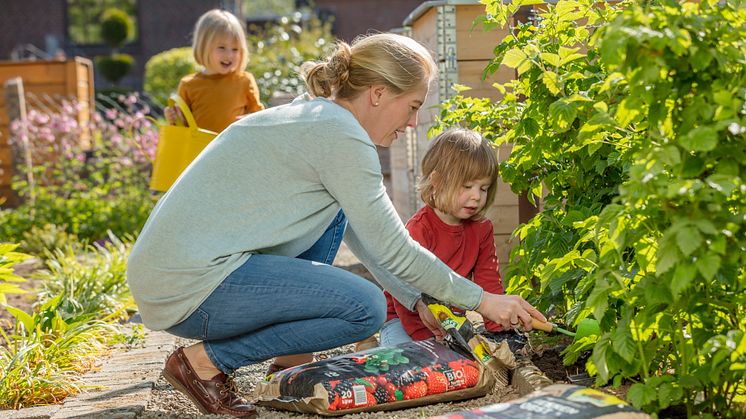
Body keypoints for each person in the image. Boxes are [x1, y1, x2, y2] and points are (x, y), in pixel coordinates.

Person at [126, 33, 545, 418]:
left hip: (178, 274)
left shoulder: (318, 119)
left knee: (337, 220)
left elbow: (368, 237)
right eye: (413, 107)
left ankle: (290, 360)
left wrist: (415, 299)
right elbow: (396, 247)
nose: (413, 123)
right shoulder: (341, 137)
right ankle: (202, 363)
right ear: (378, 94)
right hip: (189, 286)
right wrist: (483, 301)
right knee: (365, 308)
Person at [380, 128, 506, 346]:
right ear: (437, 181)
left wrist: (499, 331)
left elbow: (489, 281)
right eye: (466, 186)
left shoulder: (481, 229)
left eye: (483, 188)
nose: (476, 196)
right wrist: (429, 339)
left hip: (451, 324)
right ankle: (372, 344)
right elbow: (405, 292)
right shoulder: (420, 229)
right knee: (407, 361)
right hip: (404, 322)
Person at [164, 9, 264, 133]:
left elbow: (260, 116)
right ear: (204, 47)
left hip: (236, 148)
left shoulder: (244, 81)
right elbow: (183, 129)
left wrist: (250, 120)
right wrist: (174, 118)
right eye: (222, 48)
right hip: (201, 150)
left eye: (235, 49)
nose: (229, 55)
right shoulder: (189, 85)